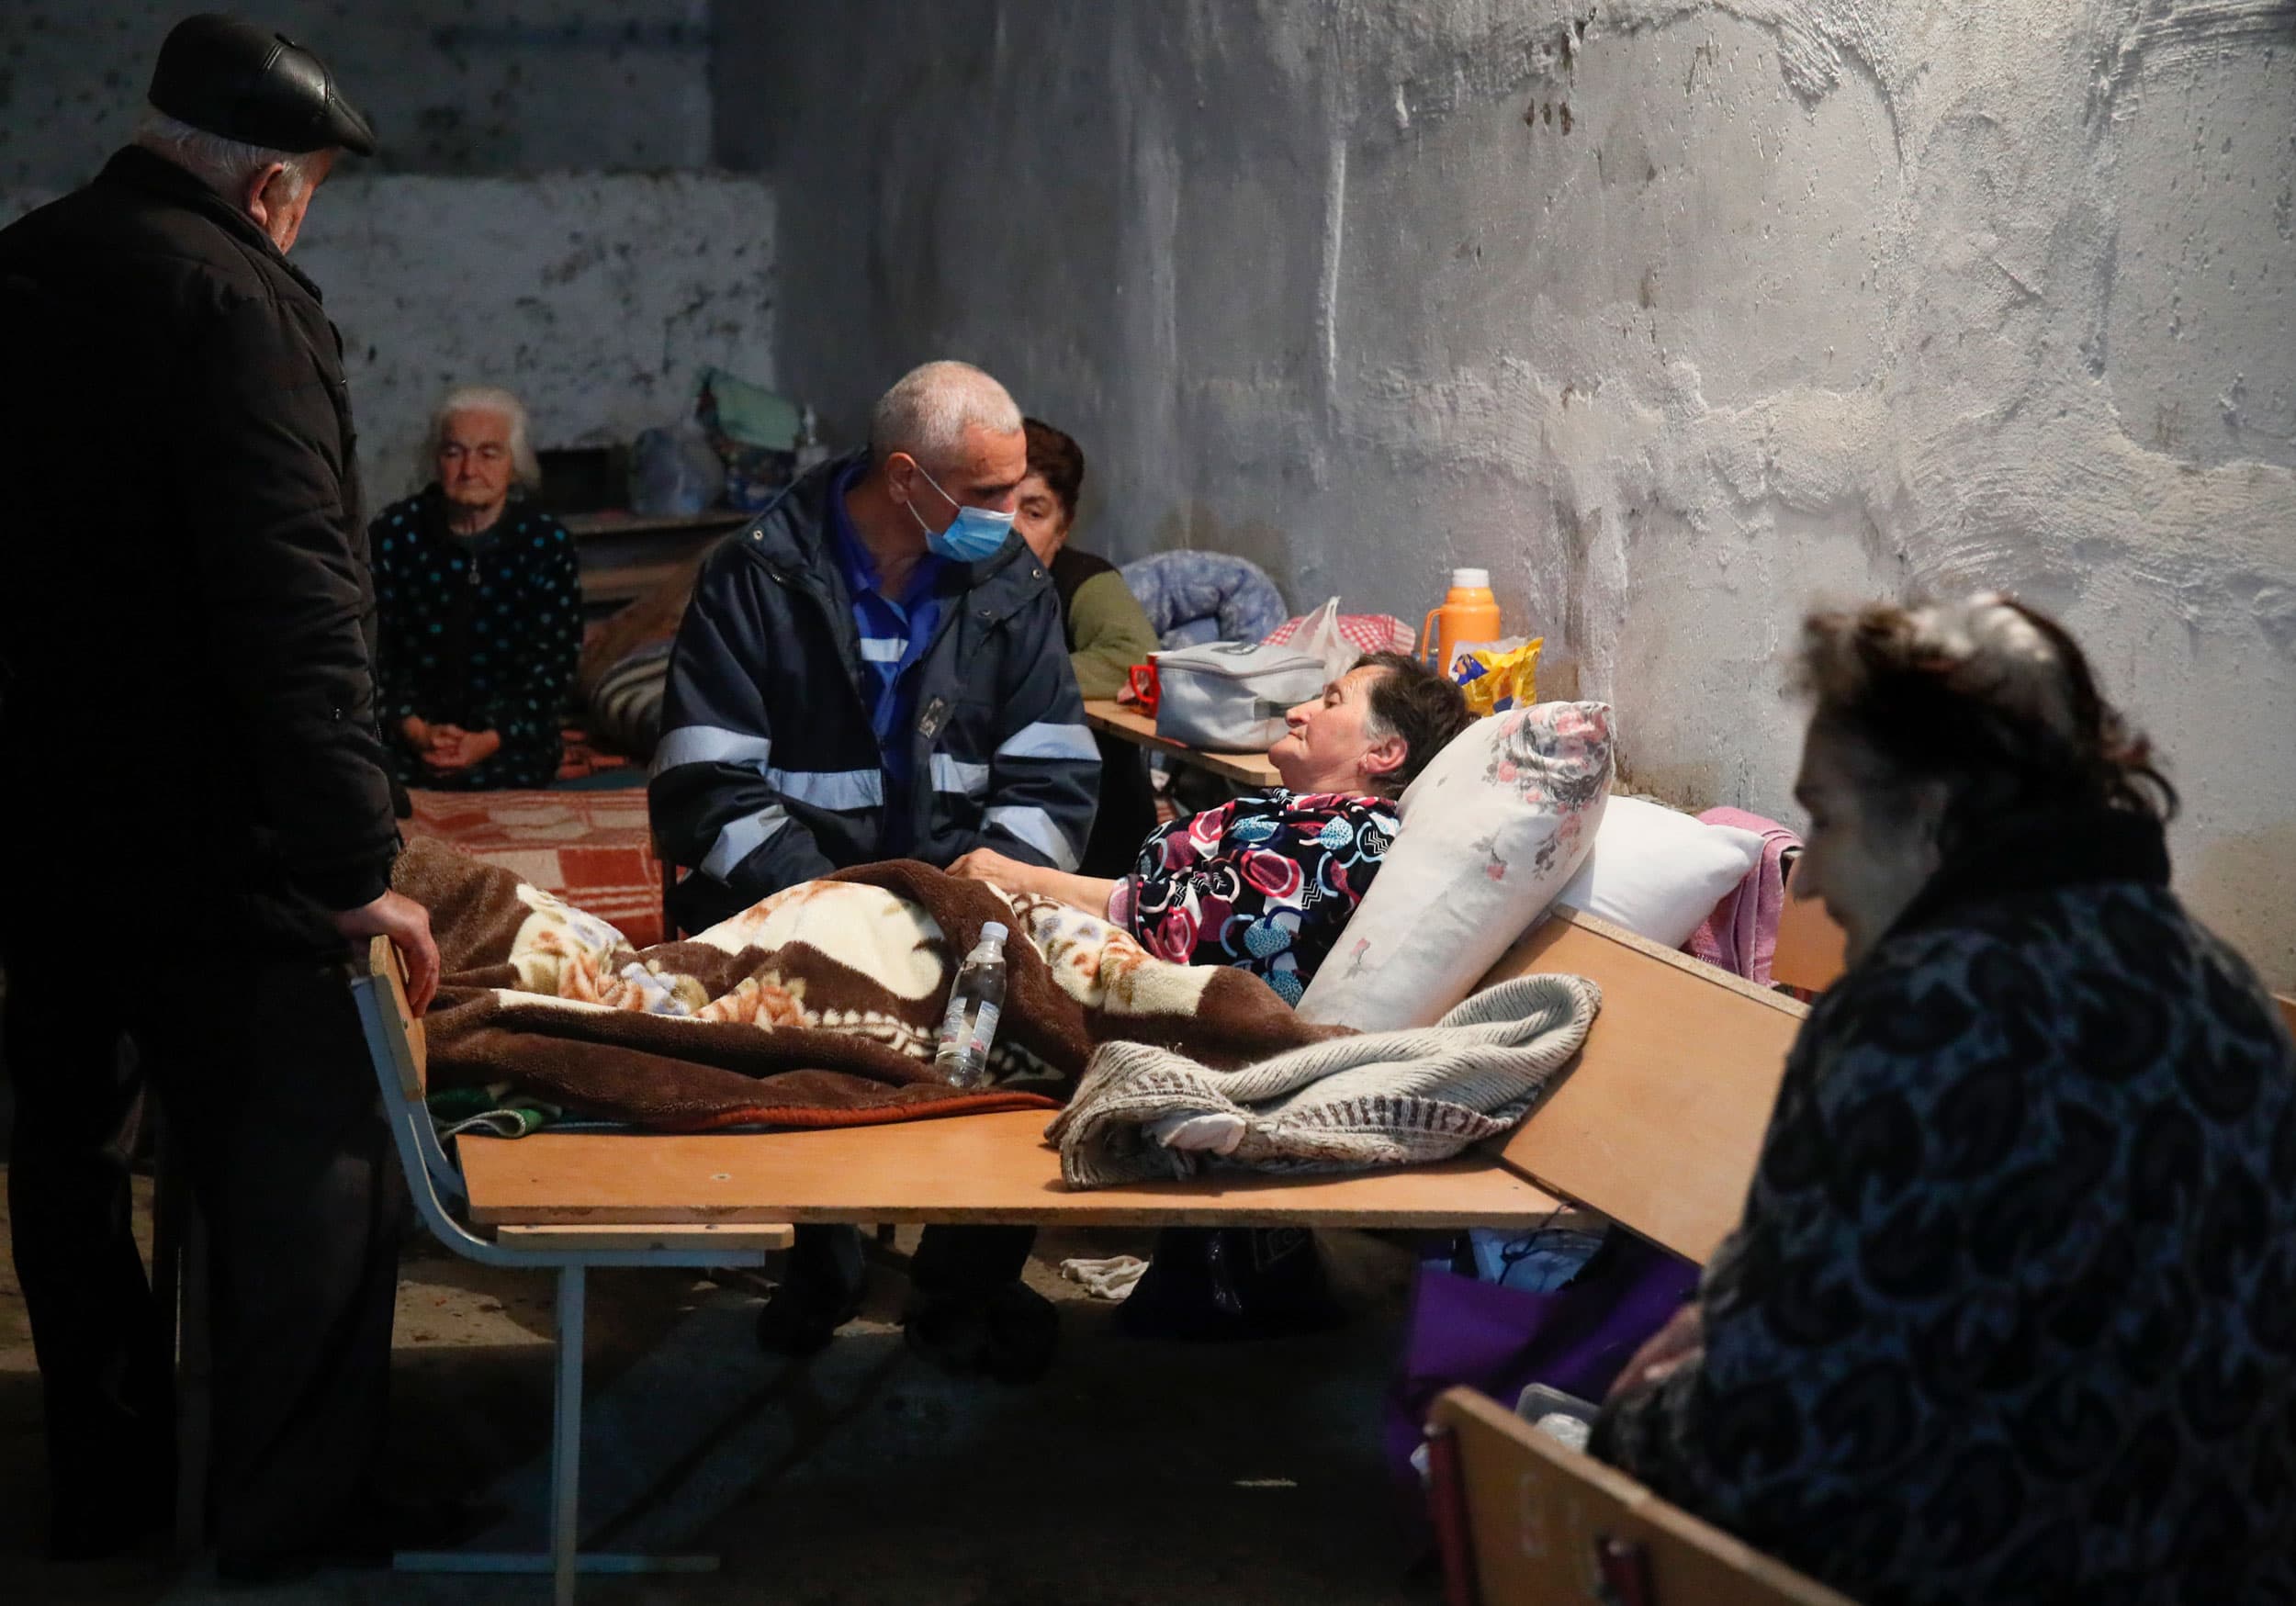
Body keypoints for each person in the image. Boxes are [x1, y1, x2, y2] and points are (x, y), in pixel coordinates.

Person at [1592, 595, 2296, 1604]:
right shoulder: (2220, 993)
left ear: (1928, 815)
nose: (1808, 882)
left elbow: (1782, 1446)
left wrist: (1628, 1424)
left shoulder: (1922, 1017)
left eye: (1827, 818)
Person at [0, 15, 452, 1579]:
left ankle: (109, 1489)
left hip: (42, 832)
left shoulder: (21, 268)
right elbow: (292, 599)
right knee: (307, 1171)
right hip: (216, 842)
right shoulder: (235, 299)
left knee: (67, 1163)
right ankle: (287, 1514)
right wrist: (352, 861)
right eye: (307, 192)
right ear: (271, 188)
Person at [651, 359, 1098, 1378]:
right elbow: (704, 784)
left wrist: (980, 902)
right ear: (906, 478)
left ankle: (962, 1284)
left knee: (1041, 1019)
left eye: (1019, 491)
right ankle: (821, 1257)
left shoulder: (1010, 585)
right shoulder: (755, 576)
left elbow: (1054, 775)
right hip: (787, 901)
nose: (1009, 517)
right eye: (989, 493)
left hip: (956, 910)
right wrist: (840, 912)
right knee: (799, 1040)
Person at [954, 650, 1473, 1004]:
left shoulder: (1351, 837)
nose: (1298, 712)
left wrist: (1024, 879)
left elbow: (1192, 923)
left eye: (1331, 701)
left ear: (1383, 752)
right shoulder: (1304, 811)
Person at [372, 386, 582, 790]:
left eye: (489, 453)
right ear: (436, 460)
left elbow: (554, 663)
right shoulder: (394, 534)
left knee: (516, 778)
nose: (469, 470)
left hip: (508, 744)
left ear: (514, 465)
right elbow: (371, 648)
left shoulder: (545, 543)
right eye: (454, 452)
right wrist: (416, 730)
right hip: (403, 738)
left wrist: (487, 739)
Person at [1011, 419, 1161, 874]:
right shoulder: (944, 584)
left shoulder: (1083, 580)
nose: (1012, 529)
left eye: (1033, 513)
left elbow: (1134, 659)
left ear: (1063, 527)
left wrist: (1007, 675)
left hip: (1093, 829)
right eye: (998, 506)